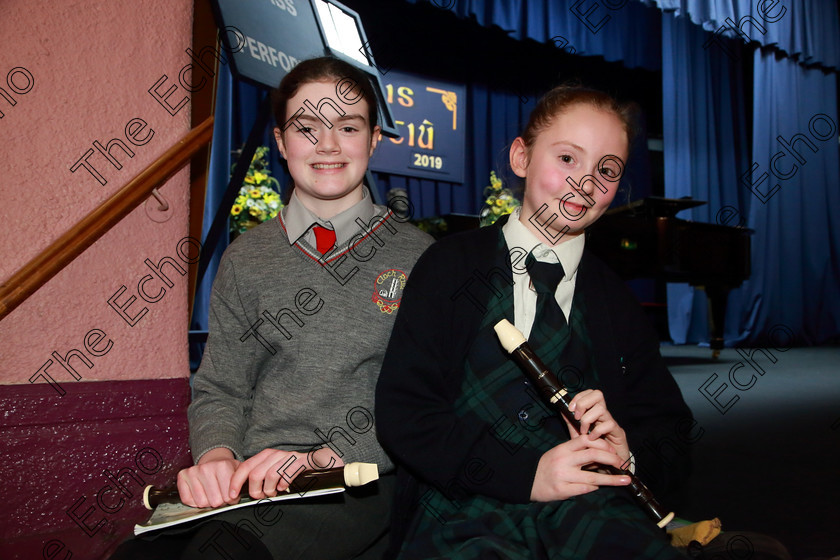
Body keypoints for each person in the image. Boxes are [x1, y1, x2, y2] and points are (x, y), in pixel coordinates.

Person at [110, 56, 432, 560]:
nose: (327, 144)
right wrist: (217, 456)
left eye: (347, 127)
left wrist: (326, 457)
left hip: (358, 479)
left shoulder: (422, 260)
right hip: (252, 479)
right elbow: (221, 386)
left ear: (373, 140)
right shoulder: (246, 258)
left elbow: (428, 396)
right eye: (307, 128)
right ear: (281, 142)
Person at [375, 85, 694, 559]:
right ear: (521, 157)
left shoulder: (614, 300)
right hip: (461, 505)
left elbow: (671, 430)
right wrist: (527, 475)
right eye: (568, 158)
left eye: (606, 169)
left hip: (590, 504)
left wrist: (627, 450)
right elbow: (406, 414)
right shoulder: (449, 266)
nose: (585, 183)